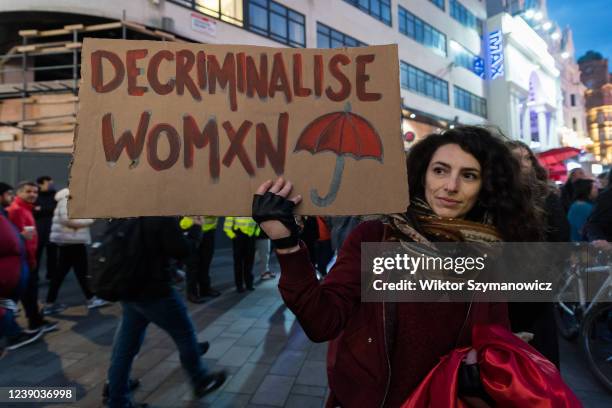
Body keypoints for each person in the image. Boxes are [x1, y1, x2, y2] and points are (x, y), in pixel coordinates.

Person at [253, 126, 547, 407]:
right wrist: (287, 245)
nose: (451, 186)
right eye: (440, 170)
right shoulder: (375, 238)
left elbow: (494, 337)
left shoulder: (490, 254)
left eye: (468, 175)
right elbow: (322, 321)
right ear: (423, 175)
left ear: (486, 187)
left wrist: (495, 358)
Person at [106, 216, 226, 408]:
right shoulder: (159, 216)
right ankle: (200, 380)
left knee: (124, 349)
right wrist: (196, 228)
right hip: (154, 291)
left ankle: (117, 399)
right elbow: (183, 250)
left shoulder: (124, 213)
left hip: (128, 289)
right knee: (185, 335)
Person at [507, 140, 568, 368]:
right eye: (516, 159)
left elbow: (560, 246)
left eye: (527, 158)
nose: (524, 164)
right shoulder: (495, 200)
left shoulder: (547, 198)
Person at [43, 188, 107, 315]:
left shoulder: (69, 199)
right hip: (72, 241)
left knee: (72, 272)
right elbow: (68, 219)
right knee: (76, 271)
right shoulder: (67, 199)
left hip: (71, 240)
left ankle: (50, 303)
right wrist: (89, 220)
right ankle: (90, 299)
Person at [6, 181, 57, 333]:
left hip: (26, 259)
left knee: (29, 293)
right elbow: (14, 238)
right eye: (28, 191)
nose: (33, 194)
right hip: (22, 261)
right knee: (25, 293)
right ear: (19, 193)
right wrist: (31, 259)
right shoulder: (15, 210)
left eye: (35, 192)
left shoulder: (26, 209)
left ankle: (34, 320)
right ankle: (28, 324)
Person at [1, 206, 44, 351]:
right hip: (8, 272)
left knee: (7, 305)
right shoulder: (14, 211)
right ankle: (13, 335)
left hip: (12, 269)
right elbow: (9, 241)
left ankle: (13, 332)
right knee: (4, 305)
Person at [179, 216, 221, 303]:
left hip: (208, 231)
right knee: (192, 264)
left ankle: (205, 289)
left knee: (205, 262)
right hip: (192, 229)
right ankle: (192, 294)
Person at [223, 217, 259, 292]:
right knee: (238, 262)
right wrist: (233, 236)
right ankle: (239, 286)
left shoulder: (252, 208)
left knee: (249, 261)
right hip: (238, 236)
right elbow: (226, 227)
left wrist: (256, 234)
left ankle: (249, 284)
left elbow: (259, 222)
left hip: (250, 236)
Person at [34, 176, 58, 281]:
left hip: (52, 229)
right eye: (49, 183)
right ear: (40, 184)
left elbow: (57, 209)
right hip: (38, 231)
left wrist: (41, 209)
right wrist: (48, 209)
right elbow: (33, 210)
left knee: (53, 256)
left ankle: (51, 275)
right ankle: (34, 276)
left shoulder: (55, 195)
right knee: (36, 256)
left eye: (52, 183)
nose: (51, 185)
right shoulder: (34, 195)